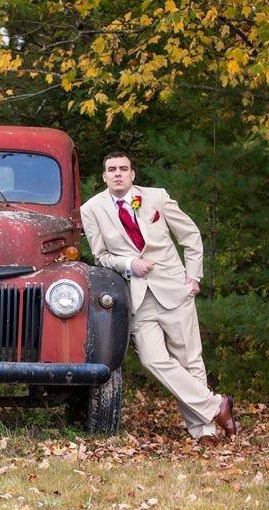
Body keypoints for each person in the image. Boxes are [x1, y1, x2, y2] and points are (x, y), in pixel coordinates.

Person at [80, 152, 236, 446]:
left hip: (174, 289)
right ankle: (216, 405)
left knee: (189, 359)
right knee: (153, 360)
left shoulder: (157, 198)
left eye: (123, 169)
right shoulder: (91, 209)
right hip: (137, 296)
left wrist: (194, 277)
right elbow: (101, 256)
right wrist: (129, 264)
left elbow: (190, 235)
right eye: (111, 170)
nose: (117, 174)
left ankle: (204, 430)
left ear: (132, 174)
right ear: (103, 176)